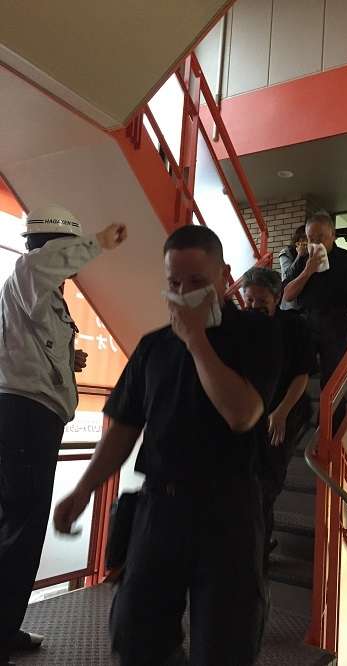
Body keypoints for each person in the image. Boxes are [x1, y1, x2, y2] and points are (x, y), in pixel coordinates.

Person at [54, 225, 282, 666]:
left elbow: (242, 414)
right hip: (160, 506)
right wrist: (83, 490)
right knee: (137, 637)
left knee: (224, 643)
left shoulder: (256, 333)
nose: (182, 293)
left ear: (224, 277)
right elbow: (123, 428)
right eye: (174, 283)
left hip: (229, 509)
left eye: (196, 282)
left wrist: (196, 340)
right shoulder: (154, 346)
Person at [0, 205, 127, 666]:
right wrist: (98, 241)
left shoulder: (41, 293)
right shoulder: (30, 270)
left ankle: (6, 626)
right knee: (21, 528)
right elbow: (45, 261)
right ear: (54, 246)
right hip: (26, 416)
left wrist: (67, 360)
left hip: (33, 416)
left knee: (19, 526)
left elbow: (29, 348)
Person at [242, 267, 314, 570]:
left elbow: (302, 376)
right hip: (253, 412)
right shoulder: (239, 326)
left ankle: (257, 555)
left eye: (262, 302)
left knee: (265, 484)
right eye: (249, 301)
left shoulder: (294, 326)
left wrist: (281, 412)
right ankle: (256, 543)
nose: (254, 307)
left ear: (277, 298)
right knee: (247, 483)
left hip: (288, 409)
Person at [283, 211, 347, 395]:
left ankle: (333, 414)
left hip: (337, 326)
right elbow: (288, 294)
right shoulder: (303, 260)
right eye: (311, 238)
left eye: (320, 237)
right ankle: (297, 411)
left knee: (333, 380)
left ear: (333, 235)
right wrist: (308, 270)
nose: (315, 243)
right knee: (296, 373)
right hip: (307, 323)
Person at [278, 224, 308, 311]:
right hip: (291, 304)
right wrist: (300, 256)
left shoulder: (313, 251)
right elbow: (288, 276)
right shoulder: (286, 253)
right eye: (304, 238)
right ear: (298, 240)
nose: (307, 242)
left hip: (309, 302)